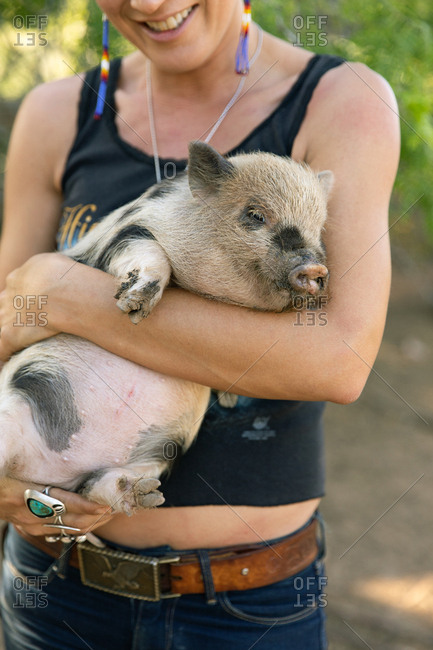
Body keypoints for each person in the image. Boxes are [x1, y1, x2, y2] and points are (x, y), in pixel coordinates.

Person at [0, 1, 399, 648]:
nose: (150, 3)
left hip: (245, 609)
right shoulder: (56, 113)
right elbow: (9, 320)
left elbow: (336, 359)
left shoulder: (341, 100)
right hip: (55, 591)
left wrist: (75, 297)